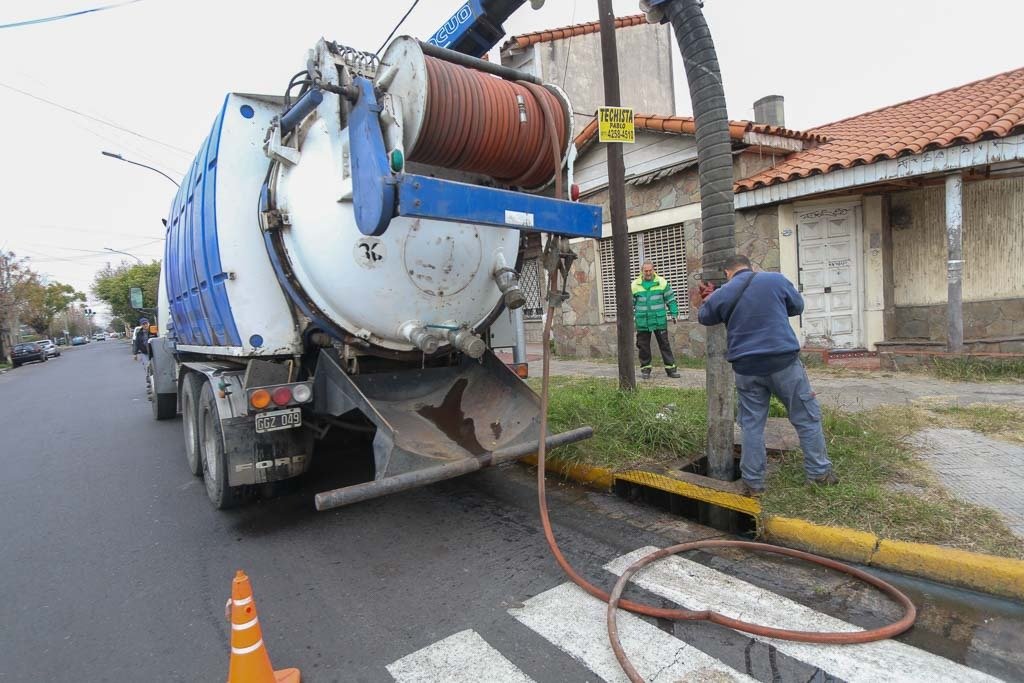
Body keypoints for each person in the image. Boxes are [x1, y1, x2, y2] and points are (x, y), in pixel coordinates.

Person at [696, 255, 837, 496]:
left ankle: (753, 484)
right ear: (751, 268)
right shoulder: (775, 280)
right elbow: (797, 307)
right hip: (783, 362)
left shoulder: (723, 293)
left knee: (752, 425)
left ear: (728, 272)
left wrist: (706, 299)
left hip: (746, 368)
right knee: (806, 417)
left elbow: (705, 317)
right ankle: (819, 474)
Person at [632, 261, 680, 379]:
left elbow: (671, 299)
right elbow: (630, 304)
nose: (648, 273)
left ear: (653, 270)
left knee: (665, 345)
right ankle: (645, 369)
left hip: (659, 321)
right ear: (642, 271)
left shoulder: (662, 283)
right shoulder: (634, 285)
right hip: (642, 322)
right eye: (645, 271)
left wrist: (674, 313)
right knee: (643, 347)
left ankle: (671, 369)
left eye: (650, 270)